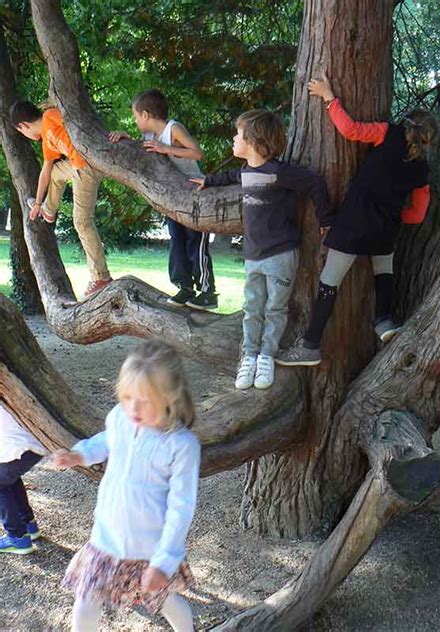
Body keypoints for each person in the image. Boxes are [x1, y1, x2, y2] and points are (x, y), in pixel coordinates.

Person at [276, 73, 438, 367]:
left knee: (329, 282)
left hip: (353, 223)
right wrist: (394, 213)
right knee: (383, 273)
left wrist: (329, 97)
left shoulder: (386, 133)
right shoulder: (422, 170)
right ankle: (384, 322)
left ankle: (311, 346)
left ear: (405, 123)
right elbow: (417, 214)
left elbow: (349, 130)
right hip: (385, 230)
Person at [53, 339, 200, 632]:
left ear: (169, 397)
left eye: (144, 401)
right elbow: (106, 441)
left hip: (149, 549)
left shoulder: (181, 445)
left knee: (165, 601)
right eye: (127, 397)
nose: (132, 407)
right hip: (105, 538)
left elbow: (181, 508)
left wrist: (163, 562)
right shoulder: (120, 418)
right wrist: (79, 454)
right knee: (86, 601)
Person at [191, 109, 329, 390]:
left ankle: (267, 356)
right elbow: (231, 176)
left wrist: (326, 219)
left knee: (275, 308)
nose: (233, 138)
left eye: (238, 134)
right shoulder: (246, 171)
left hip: (280, 255)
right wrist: (209, 180)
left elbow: (315, 182)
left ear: (253, 140)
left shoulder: (279, 172)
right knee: (252, 308)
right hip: (253, 256)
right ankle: (250, 357)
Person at [109, 89, 218, 310]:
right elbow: (146, 151)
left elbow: (197, 153)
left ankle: (207, 292)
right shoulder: (149, 137)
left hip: (195, 195)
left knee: (195, 242)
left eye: (135, 115)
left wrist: (167, 148)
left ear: (146, 115)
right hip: (172, 198)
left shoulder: (173, 129)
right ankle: (184, 286)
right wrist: (127, 138)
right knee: (176, 239)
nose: (135, 120)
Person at [9, 101, 112, 298]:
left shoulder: (50, 116)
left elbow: (77, 119)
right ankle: (49, 210)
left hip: (86, 167)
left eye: (22, 132)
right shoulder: (47, 142)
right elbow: (46, 172)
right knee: (56, 171)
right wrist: (38, 204)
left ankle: (101, 276)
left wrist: (59, 103)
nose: (26, 136)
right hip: (75, 167)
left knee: (82, 222)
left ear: (23, 126)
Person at [0, 404, 47, 555]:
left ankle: (17, 538)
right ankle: (28, 525)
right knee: (8, 478)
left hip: (18, 447)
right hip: (31, 445)